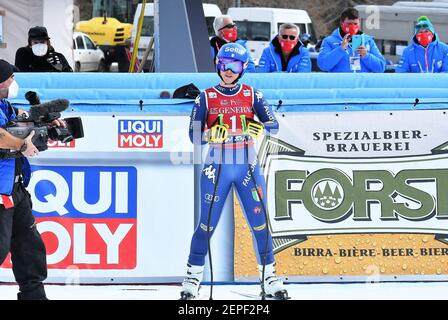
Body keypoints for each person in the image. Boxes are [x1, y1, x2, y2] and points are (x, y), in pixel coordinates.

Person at [181, 43, 288, 300]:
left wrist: (258, 126)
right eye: (224, 66)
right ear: (217, 66)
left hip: (247, 166)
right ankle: (193, 277)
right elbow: (194, 136)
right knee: (206, 226)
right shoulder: (205, 97)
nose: (228, 71)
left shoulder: (253, 94)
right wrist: (208, 134)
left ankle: (269, 276)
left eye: (234, 67)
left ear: (242, 69)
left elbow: (273, 125)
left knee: (260, 223)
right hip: (216, 167)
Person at [0, 59, 65, 300]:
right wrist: (22, 144)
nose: (14, 83)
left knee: (29, 246)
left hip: (15, 189)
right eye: (10, 79)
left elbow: (21, 118)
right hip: (0, 192)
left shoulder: (4, 104)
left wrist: (45, 121)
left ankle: (34, 295)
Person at [317, 8, 386, 73]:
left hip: (361, 84)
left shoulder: (368, 41)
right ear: (342, 24)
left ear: (359, 23)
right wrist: (340, 49)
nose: (352, 27)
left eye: (355, 24)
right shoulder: (329, 41)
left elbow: (381, 67)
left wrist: (366, 55)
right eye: (349, 24)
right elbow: (323, 65)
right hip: (340, 84)